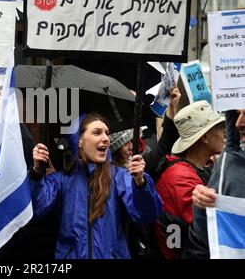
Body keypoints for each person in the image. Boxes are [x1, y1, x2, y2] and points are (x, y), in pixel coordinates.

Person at [29, 113, 162, 259]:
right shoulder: (62, 180)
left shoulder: (120, 177)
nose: (105, 138)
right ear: (79, 140)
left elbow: (146, 215)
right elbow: (36, 209)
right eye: (97, 133)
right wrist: (36, 173)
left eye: (106, 133)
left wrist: (141, 184)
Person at [155, 100, 225, 259]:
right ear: (205, 137)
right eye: (220, 127)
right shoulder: (180, 178)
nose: (224, 132)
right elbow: (212, 228)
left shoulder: (198, 168)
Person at [183, 109, 245, 259]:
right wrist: (203, 208)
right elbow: (206, 239)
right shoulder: (229, 163)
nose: (239, 123)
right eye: (237, 114)